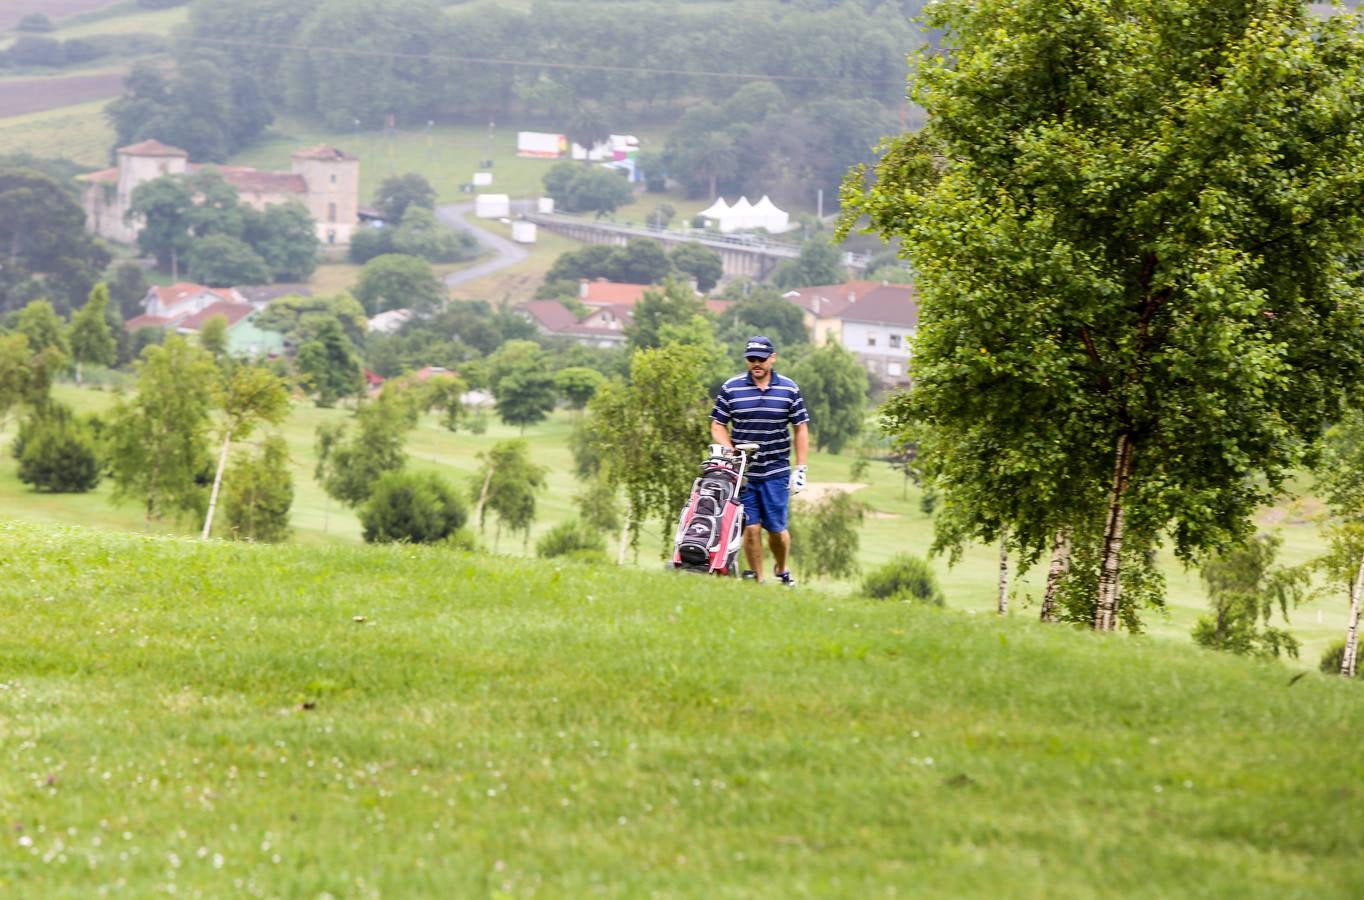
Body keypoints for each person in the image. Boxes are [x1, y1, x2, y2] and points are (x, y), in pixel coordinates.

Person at [709, 335, 810, 585]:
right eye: (751, 359)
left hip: (776, 470)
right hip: (743, 472)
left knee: (777, 530)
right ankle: (759, 580)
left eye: (761, 359)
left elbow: (801, 428)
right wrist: (729, 449)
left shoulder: (789, 389)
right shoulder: (731, 388)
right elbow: (717, 424)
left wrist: (801, 468)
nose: (756, 363)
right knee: (751, 528)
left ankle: (782, 568)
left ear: (772, 359)